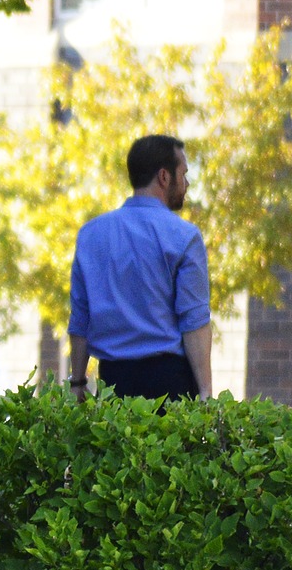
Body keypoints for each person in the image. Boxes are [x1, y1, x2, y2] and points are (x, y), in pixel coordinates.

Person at [67, 135, 212, 401]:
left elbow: (81, 317)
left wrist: (77, 382)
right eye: (184, 174)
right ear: (164, 177)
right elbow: (194, 320)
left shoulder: (90, 235)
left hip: (114, 382)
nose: (187, 183)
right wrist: (205, 392)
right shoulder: (185, 237)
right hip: (171, 384)